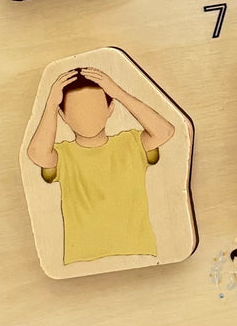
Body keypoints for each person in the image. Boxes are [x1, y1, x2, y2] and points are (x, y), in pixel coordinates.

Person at [26, 66, 175, 264]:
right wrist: (51, 103)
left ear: (110, 109)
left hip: (137, 254)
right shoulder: (63, 155)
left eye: (94, 107)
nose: (87, 116)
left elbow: (165, 131)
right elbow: (37, 154)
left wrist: (119, 93)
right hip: (82, 262)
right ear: (63, 116)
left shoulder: (132, 143)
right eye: (78, 110)